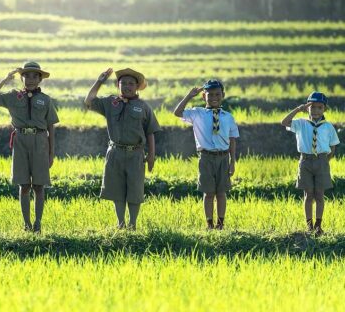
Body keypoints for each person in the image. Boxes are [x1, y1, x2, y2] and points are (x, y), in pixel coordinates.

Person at [0, 61, 59, 233]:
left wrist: (51, 152)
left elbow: (51, 127)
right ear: (21, 78)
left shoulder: (46, 100)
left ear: (40, 79)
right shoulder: (13, 96)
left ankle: (38, 223)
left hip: (40, 140)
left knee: (39, 186)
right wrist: (5, 79)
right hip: (20, 141)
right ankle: (26, 224)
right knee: (24, 185)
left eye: (35, 76)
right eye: (26, 75)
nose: (30, 79)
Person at [84, 68, 160, 230]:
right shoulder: (110, 102)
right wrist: (99, 81)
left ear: (137, 87)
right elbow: (89, 101)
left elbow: (151, 131)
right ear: (118, 85)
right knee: (116, 189)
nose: (127, 86)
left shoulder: (143, 107)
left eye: (131, 83)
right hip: (115, 152)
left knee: (135, 190)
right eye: (123, 83)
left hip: (136, 154)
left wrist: (151, 155)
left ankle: (132, 224)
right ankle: (121, 223)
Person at [173, 80, 239, 230]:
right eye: (210, 95)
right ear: (204, 96)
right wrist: (189, 96)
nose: (214, 97)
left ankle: (220, 224)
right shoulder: (197, 113)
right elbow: (177, 112)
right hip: (206, 157)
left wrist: (232, 161)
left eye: (217, 94)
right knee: (208, 193)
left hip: (223, 157)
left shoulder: (228, 117)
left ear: (223, 95)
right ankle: (209, 224)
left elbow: (232, 139)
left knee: (221, 192)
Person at [281, 92, 340, 235]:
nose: (316, 111)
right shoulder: (301, 123)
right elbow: (284, 122)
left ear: (324, 109)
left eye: (320, 108)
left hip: (321, 161)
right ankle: (309, 225)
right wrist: (297, 109)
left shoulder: (328, 127)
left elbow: (332, 146)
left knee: (319, 194)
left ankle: (318, 225)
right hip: (305, 161)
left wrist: (326, 160)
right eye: (312, 107)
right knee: (308, 194)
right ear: (307, 107)